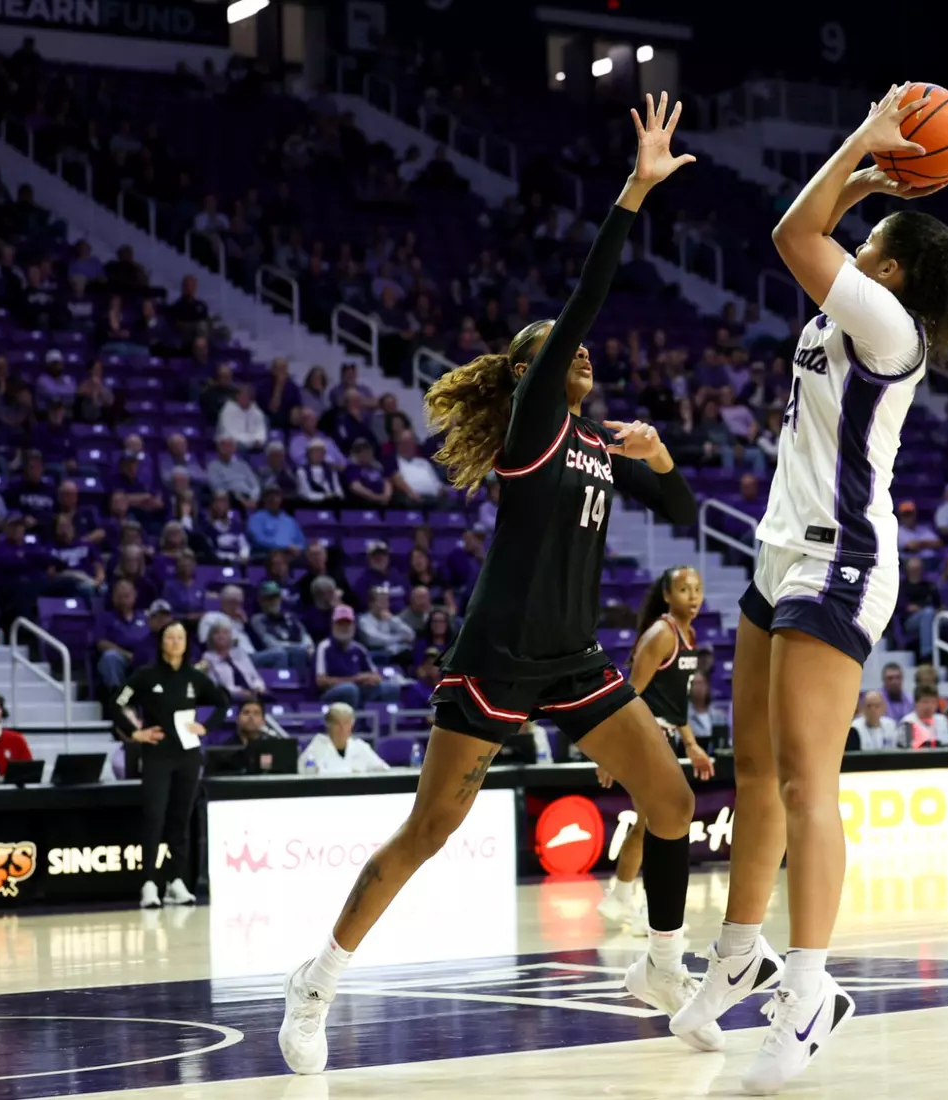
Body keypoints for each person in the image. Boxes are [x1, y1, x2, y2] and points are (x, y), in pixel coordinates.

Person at [278, 92, 703, 1076]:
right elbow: (589, 297)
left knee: (674, 800)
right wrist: (633, 195)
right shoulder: (534, 427)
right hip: (497, 660)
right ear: (531, 372)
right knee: (429, 828)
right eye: (560, 347)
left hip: (576, 657)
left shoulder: (596, 438)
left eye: (580, 348)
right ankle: (317, 978)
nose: (581, 349)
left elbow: (680, 521)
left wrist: (666, 460)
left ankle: (663, 965)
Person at [671, 85, 948, 1093]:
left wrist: (859, 143)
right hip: (779, 551)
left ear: (887, 268)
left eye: (868, 236)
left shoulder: (890, 326)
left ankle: (810, 992)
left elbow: (788, 229)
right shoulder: (855, 304)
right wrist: (869, 176)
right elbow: (815, 227)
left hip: (840, 562)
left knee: (811, 781)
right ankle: (740, 953)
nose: (848, 241)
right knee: (755, 773)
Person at [594, 566, 713, 932]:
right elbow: (629, 695)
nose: (692, 596)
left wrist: (692, 744)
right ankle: (647, 907)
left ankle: (621, 898)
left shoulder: (687, 635)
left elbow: (673, 704)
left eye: (697, 588)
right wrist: (612, 751)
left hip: (664, 735)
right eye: (682, 589)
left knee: (648, 824)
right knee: (663, 824)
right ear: (666, 595)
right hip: (645, 737)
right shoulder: (662, 634)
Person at [112, 620, 232, 910]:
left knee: (180, 819)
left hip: (188, 756)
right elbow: (117, 702)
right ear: (161, 641)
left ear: (187, 643)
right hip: (157, 755)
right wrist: (135, 732)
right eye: (170, 637)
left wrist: (205, 727)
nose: (176, 642)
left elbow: (222, 702)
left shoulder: (194, 677)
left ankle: (176, 881)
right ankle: (149, 883)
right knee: (155, 818)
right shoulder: (145, 675)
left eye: (180, 637)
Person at [298, 702, 388, 775]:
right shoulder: (316, 748)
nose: (342, 729)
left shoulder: (360, 746)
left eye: (346, 723)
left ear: (352, 725)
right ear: (328, 725)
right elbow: (305, 774)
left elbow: (383, 770)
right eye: (337, 724)